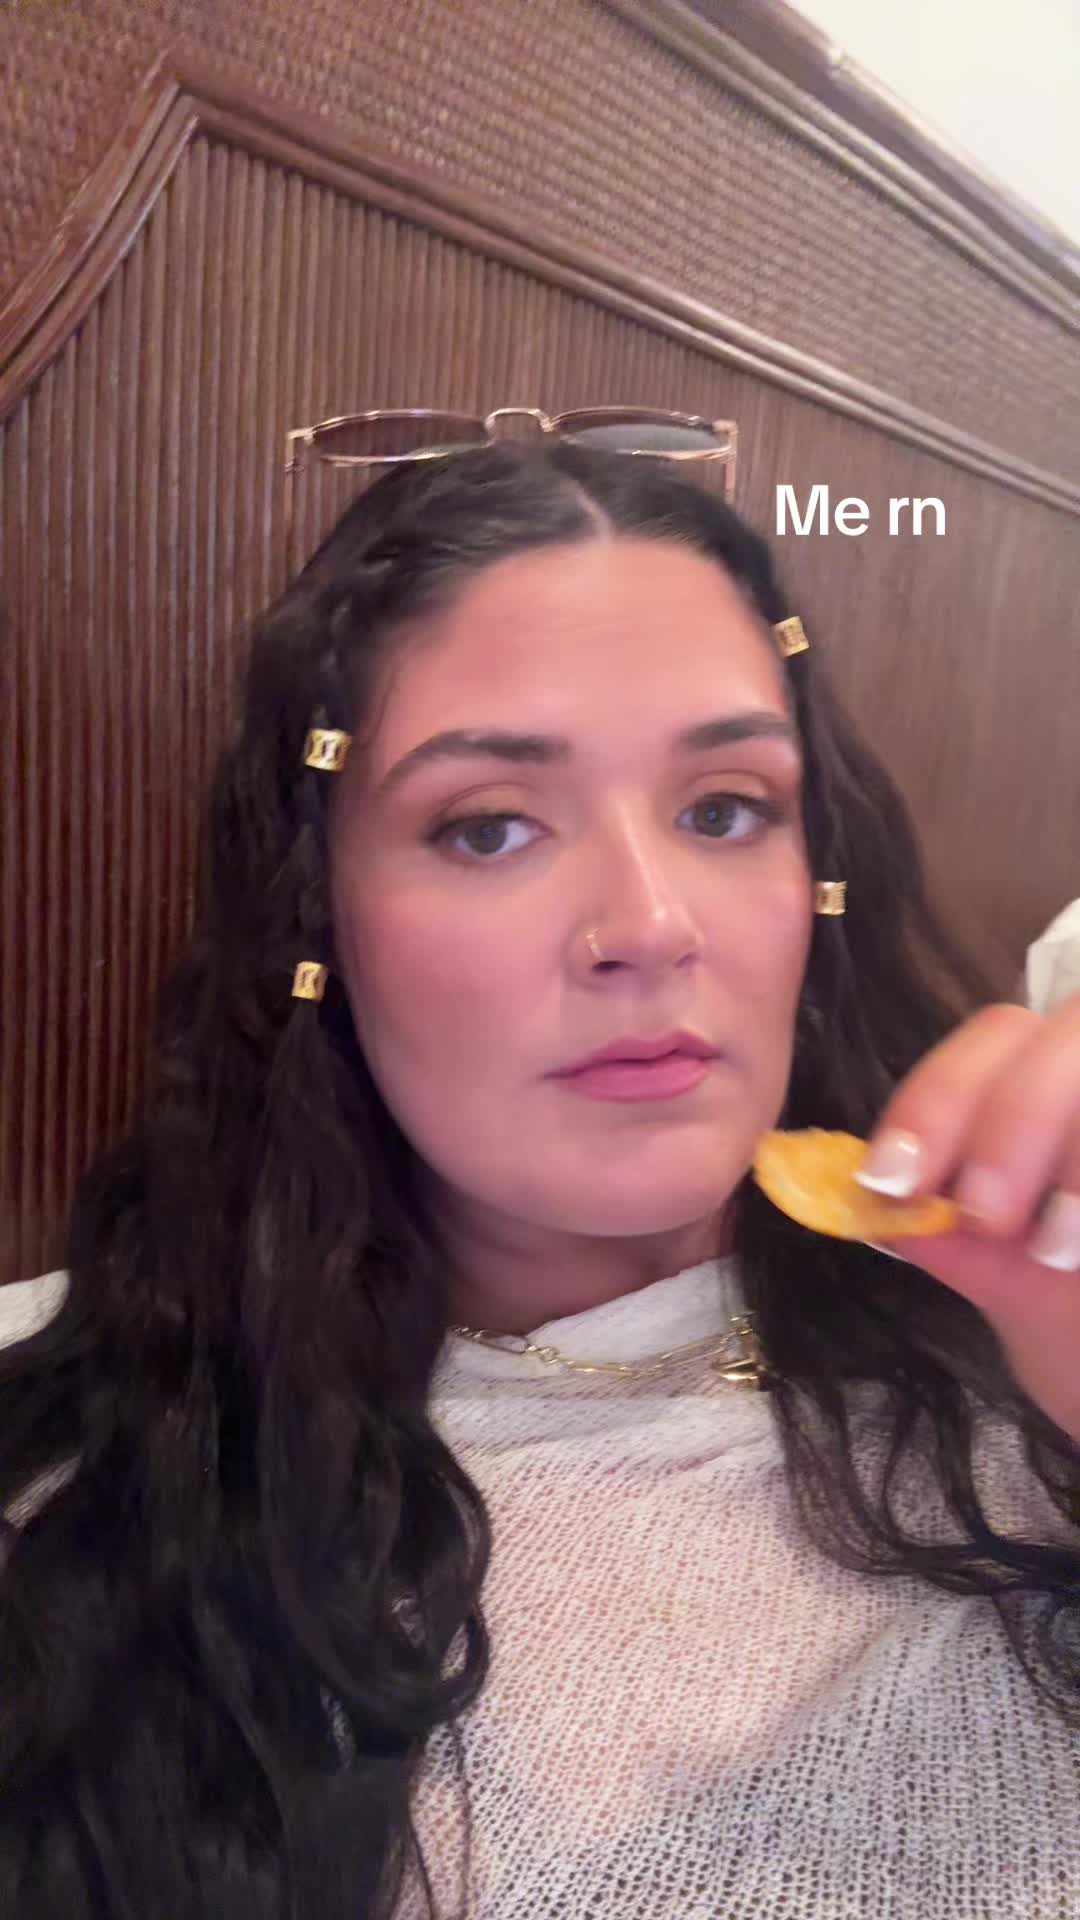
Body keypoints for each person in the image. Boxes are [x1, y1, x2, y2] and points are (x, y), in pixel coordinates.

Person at [1, 441, 1078, 1920]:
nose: (649, 924)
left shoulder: (1028, 1382)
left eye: (724, 809)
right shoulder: (68, 1460)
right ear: (319, 918)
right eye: (489, 825)